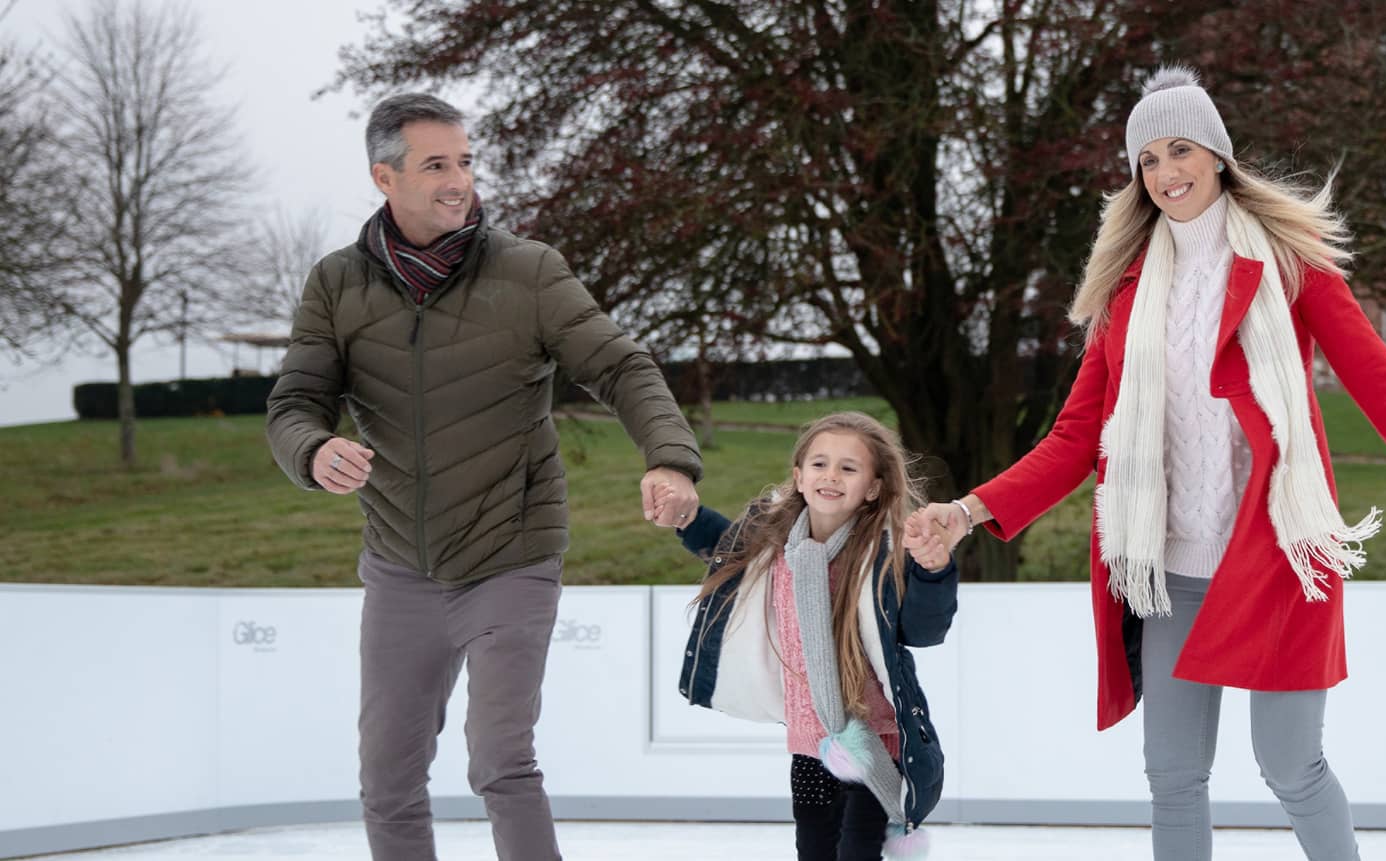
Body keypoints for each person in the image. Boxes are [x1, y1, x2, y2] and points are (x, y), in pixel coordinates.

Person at [910, 67, 1386, 861]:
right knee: (1172, 774)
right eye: (1148, 160)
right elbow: (1072, 440)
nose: (1166, 172)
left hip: (1279, 558)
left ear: (1218, 155)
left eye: (1181, 149)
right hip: (1168, 570)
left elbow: (1385, 389)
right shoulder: (1127, 294)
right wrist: (965, 512)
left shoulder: (1288, 265)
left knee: (1292, 766)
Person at [265, 93, 703, 861]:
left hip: (512, 550)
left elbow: (620, 364)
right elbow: (295, 402)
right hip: (401, 561)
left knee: (499, 758)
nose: (458, 179)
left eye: (464, 161)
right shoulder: (337, 284)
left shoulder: (528, 271)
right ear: (384, 176)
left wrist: (668, 457)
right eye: (436, 164)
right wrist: (310, 448)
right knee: (387, 774)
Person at [662, 412, 957, 861]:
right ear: (799, 477)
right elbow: (725, 547)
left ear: (873, 487)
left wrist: (934, 571)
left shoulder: (884, 552)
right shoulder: (774, 546)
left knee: (857, 852)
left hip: (876, 743)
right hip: (808, 748)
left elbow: (923, 630)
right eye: (819, 464)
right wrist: (686, 518)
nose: (831, 476)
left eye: (849, 468)